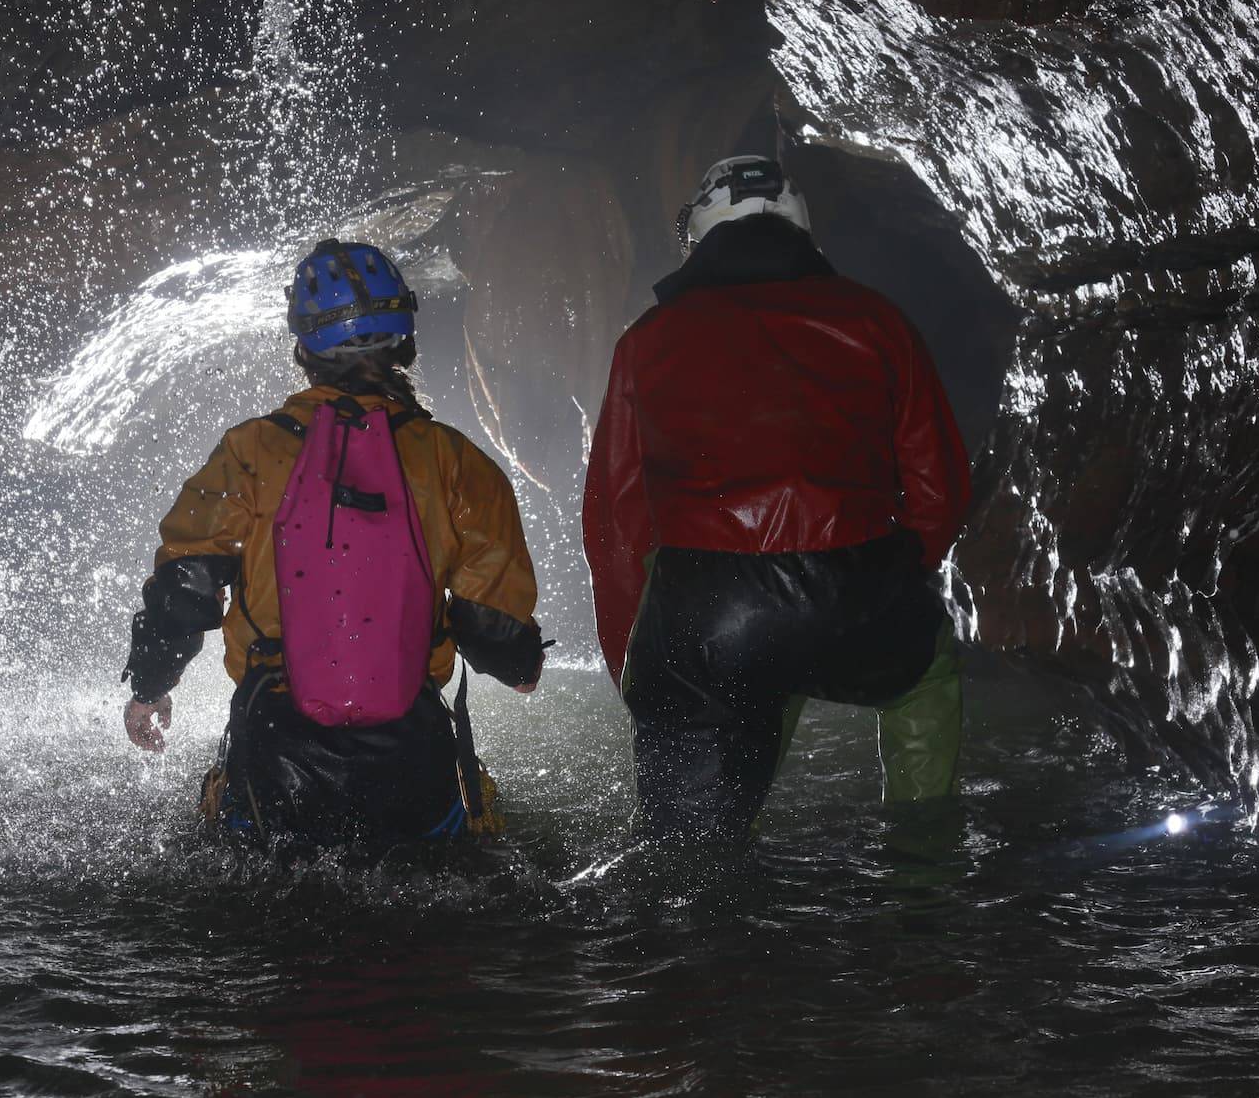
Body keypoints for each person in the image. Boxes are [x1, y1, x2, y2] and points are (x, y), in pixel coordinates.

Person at [582, 155, 971, 844]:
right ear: (802, 230)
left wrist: (638, 667)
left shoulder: (647, 340)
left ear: (700, 234)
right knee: (922, 678)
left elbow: (618, 521)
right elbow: (938, 484)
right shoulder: (876, 319)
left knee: (686, 851)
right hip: (855, 584)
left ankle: (701, 894)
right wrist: (899, 575)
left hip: (707, 610)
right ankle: (923, 877)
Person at [121, 238, 547, 846]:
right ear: (404, 340)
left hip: (275, 737)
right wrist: (520, 667)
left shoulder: (251, 450)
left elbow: (186, 584)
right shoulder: (455, 459)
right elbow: (490, 617)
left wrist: (151, 686)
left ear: (303, 347)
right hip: (411, 736)